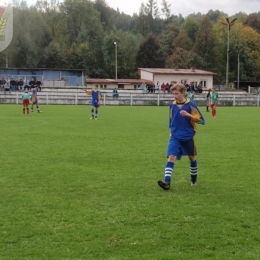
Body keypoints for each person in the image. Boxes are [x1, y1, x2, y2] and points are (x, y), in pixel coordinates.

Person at [157, 83, 205, 190]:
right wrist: (171, 131)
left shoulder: (191, 105)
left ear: (183, 93)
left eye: (177, 93)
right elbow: (171, 120)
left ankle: (193, 180)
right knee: (171, 157)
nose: (174, 96)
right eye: (173, 94)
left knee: (192, 158)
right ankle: (167, 182)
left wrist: (189, 115)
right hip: (175, 137)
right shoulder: (172, 105)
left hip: (188, 136)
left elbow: (202, 120)